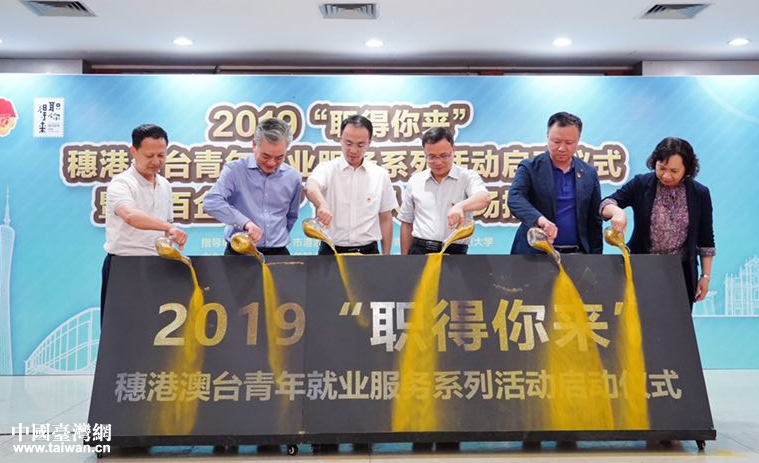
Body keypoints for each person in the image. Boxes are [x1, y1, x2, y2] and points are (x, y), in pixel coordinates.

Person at [600, 137, 715, 306]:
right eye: (661, 168)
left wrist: (705, 276)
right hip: (642, 268)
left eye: (674, 171)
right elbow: (605, 204)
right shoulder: (641, 184)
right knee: (640, 319)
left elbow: (706, 241)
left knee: (676, 320)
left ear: (687, 169)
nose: (666, 175)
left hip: (681, 271)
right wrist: (617, 212)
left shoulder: (699, 193)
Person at [101, 124, 187, 324]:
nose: (156, 161)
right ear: (134, 151)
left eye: (161, 155)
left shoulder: (165, 185)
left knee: (154, 329)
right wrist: (168, 228)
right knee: (120, 329)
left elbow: (167, 222)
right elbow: (130, 215)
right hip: (125, 266)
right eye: (149, 156)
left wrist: (171, 239)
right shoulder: (121, 183)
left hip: (158, 266)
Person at [204, 118, 302, 256]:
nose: (271, 163)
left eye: (279, 157)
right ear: (254, 144)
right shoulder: (235, 171)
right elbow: (211, 202)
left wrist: (276, 236)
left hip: (278, 252)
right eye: (265, 156)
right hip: (240, 252)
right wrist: (245, 223)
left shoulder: (293, 177)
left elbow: (291, 216)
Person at [508, 111, 602, 255]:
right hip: (534, 254)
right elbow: (514, 198)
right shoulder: (530, 167)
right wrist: (540, 220)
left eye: (569, 143)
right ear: (547, 136)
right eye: (556, 141)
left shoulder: (589, 173)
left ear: (578, 140)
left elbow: (594, 220)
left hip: (578, 255)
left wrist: (596, 257)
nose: (562, 148)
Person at [305, 115, 398, 255]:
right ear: (340, 139)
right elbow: (311, 186)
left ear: (369, 143)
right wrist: (322, 204)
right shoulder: (327, 169)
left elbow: (385, 218)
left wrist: (386, 256)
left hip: (368, 252)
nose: (353, 150)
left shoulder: (380, 175)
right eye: (348, 143)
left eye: (360, 145)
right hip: (331, 252)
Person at [398, 127, 490, 255]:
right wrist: (405, 260)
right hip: (420, 251)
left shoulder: (467, 177)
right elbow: (407, 223)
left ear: (453, 150)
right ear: (424, 153)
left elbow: (484, 198)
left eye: (444, 156)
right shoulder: (415, 181)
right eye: (431, 157)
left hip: (454, 253)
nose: (438, 162)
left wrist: (460, 206)